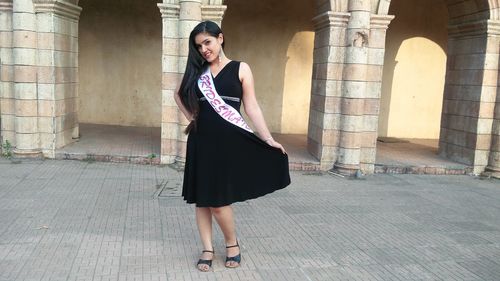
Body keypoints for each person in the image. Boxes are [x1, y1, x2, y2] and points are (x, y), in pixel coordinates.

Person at [174, 20, 291, 272]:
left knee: (218, 200)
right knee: (202, 199)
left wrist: (268, 138)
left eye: (207, 42)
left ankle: (232, 243)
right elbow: (177, 94)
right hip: (201, 141)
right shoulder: (198, 71)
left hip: (228, 142)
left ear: (220, 38)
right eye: (199, 46)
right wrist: (192, 118)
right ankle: (206, 247)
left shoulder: (241, 68)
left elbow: (251, 107)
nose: (204, 49)